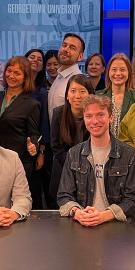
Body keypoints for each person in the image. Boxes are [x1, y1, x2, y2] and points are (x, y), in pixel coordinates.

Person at [58, 95, 135, 225]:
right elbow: (64, 195)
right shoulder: (73, 154)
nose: (94, 121)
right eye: (89, 116)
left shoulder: (129, 155)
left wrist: (104, 216)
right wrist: (77, 213)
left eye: (100, 115)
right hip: (82, 224)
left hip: (116, 227)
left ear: (111, 118)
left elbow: (134, 199)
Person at [0, 56, 41, 199]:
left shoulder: (32, 104)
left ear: (25, 77)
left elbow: (34, 134)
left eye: (17, 73)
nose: (11, 76)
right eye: (9, 71)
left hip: (18, 162)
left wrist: (34, 146)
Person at [49, 75, 93, 209]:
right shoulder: (58, 114)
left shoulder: (95, 116)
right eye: (73, 91)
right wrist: (73, 165)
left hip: (89, 169)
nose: (77, 96)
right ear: (67, 94)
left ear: (90, 94)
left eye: (82, 91)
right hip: (63, 168)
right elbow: (56, 147)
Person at [25, 49, 51, 209]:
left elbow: (44, 124)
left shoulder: (41, 93)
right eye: (31, 57)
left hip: (34, 149)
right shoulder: (16, 89)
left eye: (39, 59)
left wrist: (41, 153)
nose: (35, 60)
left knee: (33, 191)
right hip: (15, 146)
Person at [96, 53, 135, 137]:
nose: (118, 73)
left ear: (129, 73)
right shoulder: (98, 97)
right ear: (108, 72)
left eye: (122, 70)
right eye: (114, 69)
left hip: (127, 147)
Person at [48, 33, 85, 119]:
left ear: (80, 57)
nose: (66, 49)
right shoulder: (60, 75)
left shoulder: (79, 81)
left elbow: (79, 119)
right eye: (64, 45)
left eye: (72, 48)